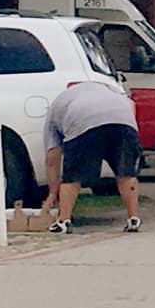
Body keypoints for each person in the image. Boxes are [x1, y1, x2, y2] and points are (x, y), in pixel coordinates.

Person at [41, 81, 143, 234]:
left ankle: (63, 221)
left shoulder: (54, 110)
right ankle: (133, 219)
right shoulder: (110, 91)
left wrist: (52, 193)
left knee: (73, 176)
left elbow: (52, 157)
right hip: (123, 119)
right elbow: (131, 104)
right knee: (126, 173)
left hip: (82, 121)